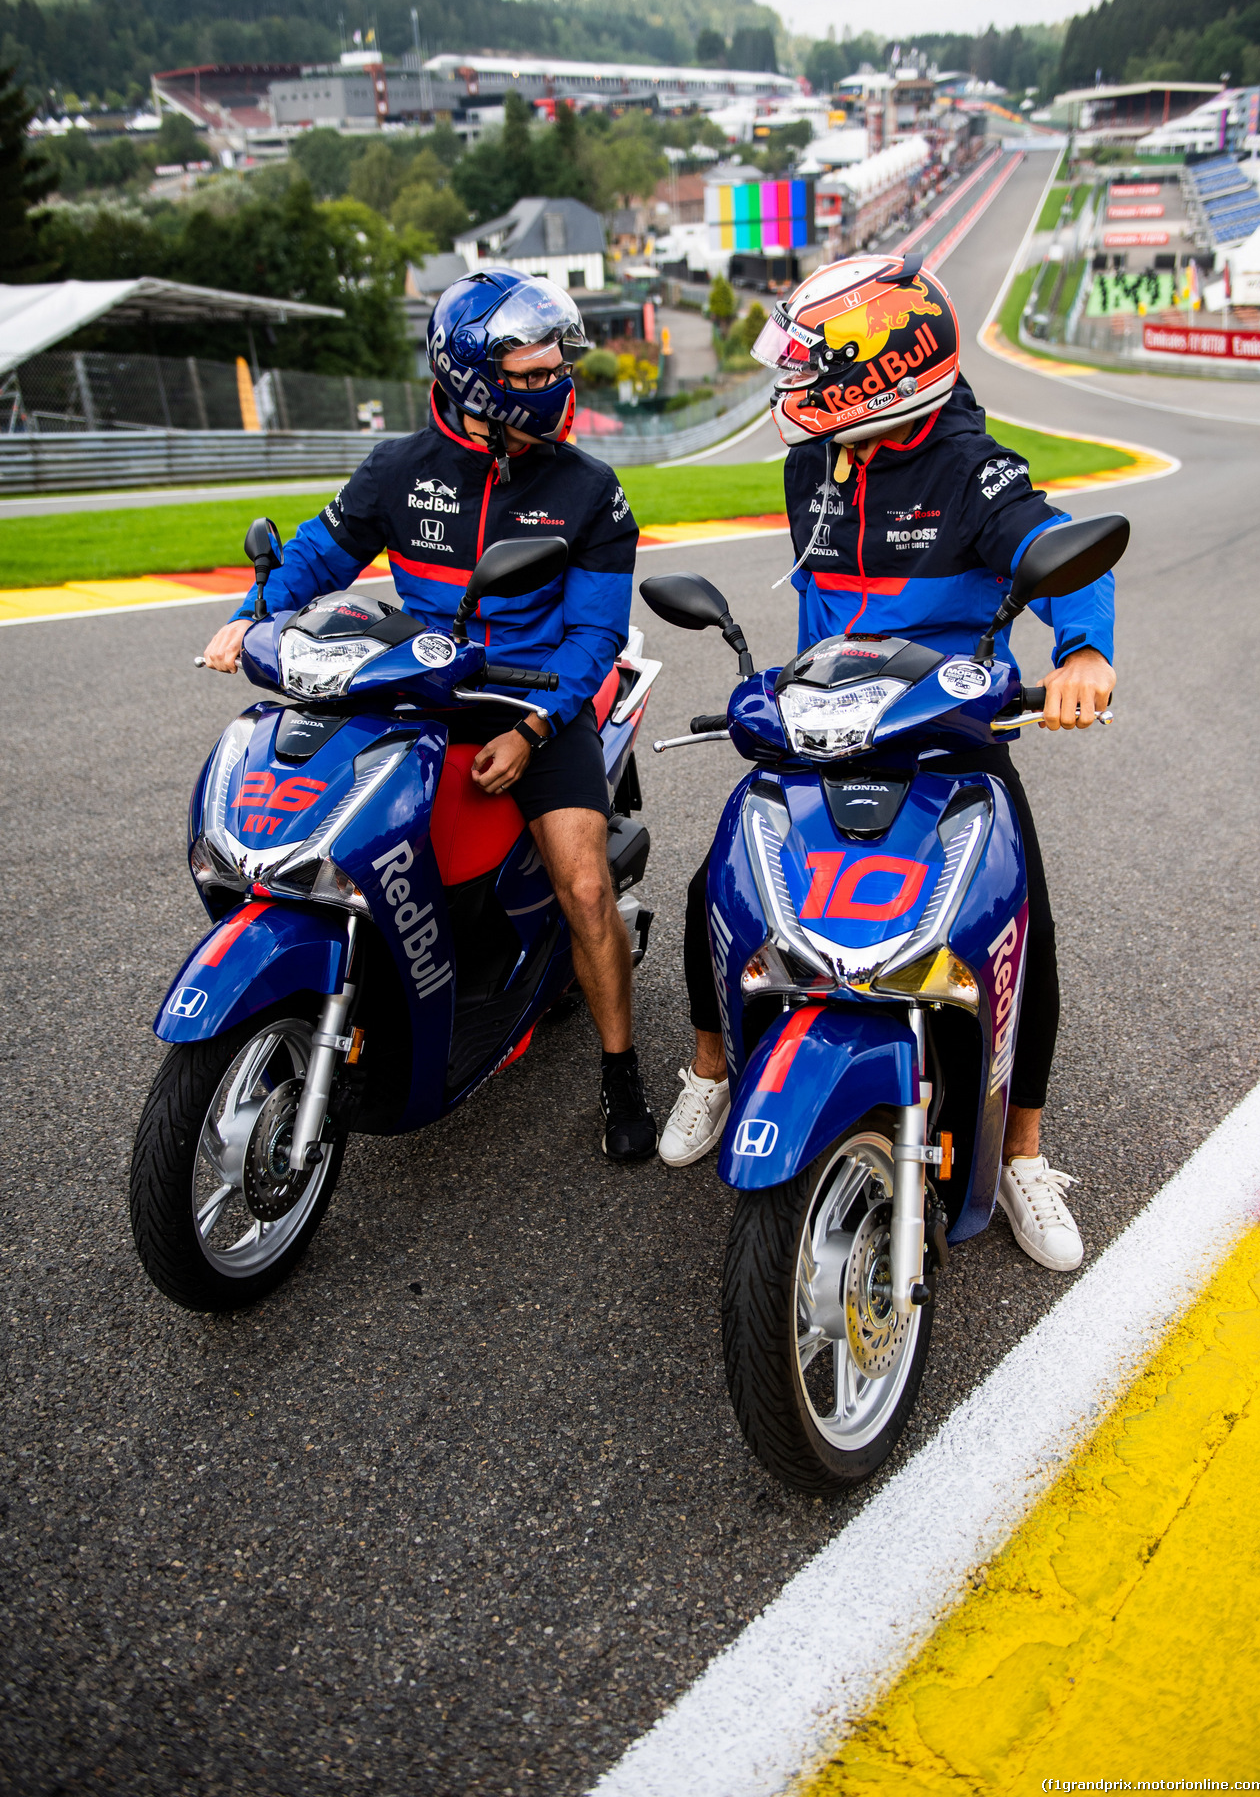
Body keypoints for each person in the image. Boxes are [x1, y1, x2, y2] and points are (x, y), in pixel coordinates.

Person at [657, 252, 1115, 1272]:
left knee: (1017, 928)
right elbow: (825, 612)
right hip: (824, 724)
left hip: (950, 737)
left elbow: (1052, 544)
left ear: (882, 371)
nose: (794, 386)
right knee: (712, 892)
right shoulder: (814, 460)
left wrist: (1081, 650)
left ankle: (1025, 1156)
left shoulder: (971, 468)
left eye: (812, 367)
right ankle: (710, 1069)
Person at [203, 268, 657, 1163]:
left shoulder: (590, 490)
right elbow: (315, 559)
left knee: (587, 889)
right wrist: (250, 615)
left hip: (534, 703)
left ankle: (621, 1072)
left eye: (553, 367)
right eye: (529, 373)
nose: (553, 383)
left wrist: (531, 730)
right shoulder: (399, 469)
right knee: (332, 831)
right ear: (470, 374)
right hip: (414, 688)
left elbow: (596, 638)